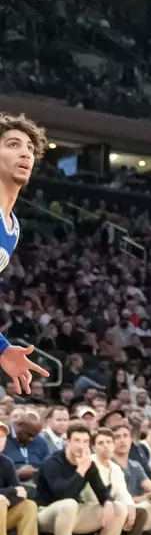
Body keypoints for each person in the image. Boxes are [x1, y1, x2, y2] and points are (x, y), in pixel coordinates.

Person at [35, 420, 128, 535]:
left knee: (119, 508)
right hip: (46, 514)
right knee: (69, 504)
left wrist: (108, 503)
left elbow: (102, 491)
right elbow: (62, 494)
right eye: (77, 440)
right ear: (67, 442)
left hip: (73, 513)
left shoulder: (87, 463)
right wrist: (81, 470)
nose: (81, 445)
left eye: (85, 441)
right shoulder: (52, 462)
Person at [0, 114, 51, 396]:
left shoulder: (13, 227)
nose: (25, 152)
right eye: (13, 144)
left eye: (30, 148)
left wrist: (3, 349)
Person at [0, 418, 45, 535]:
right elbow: (14, 490)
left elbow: (20, 492)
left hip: (3, 514)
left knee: (29, 506)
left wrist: (8, 494)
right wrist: (9, 493)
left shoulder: (6, 462)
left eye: (3, 436)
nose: (0, 440)